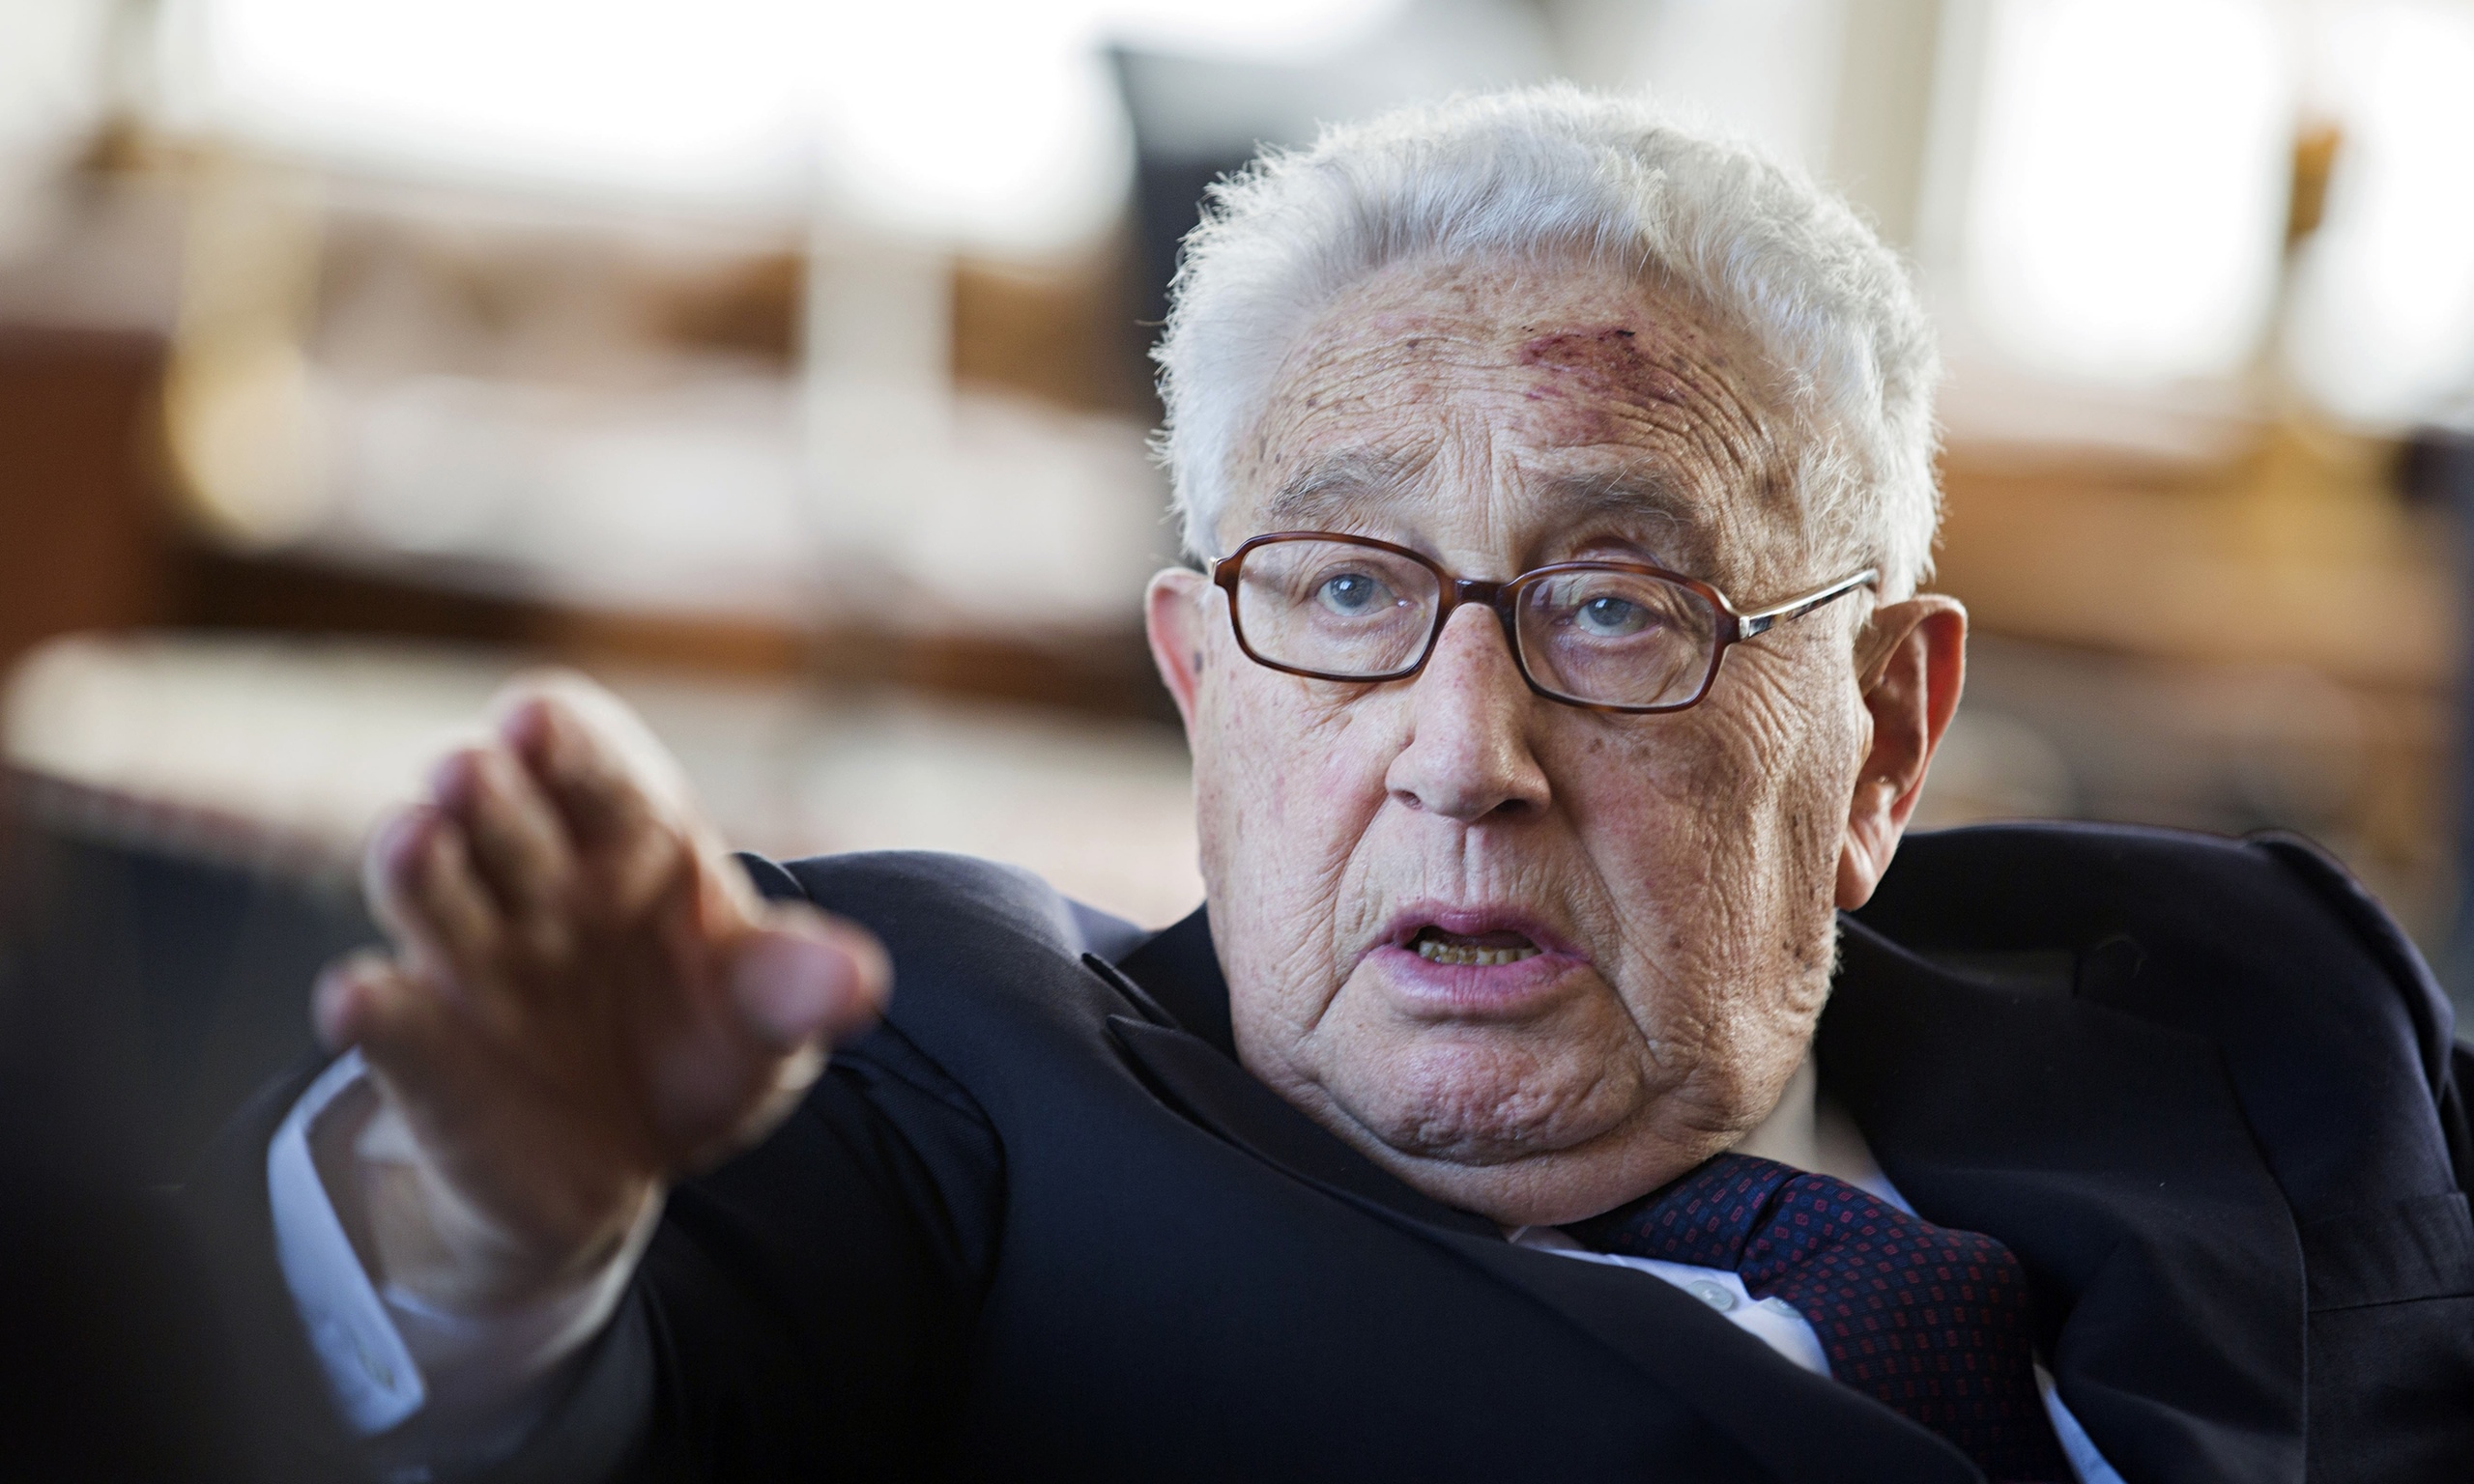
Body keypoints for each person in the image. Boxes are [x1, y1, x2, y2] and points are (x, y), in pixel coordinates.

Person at [188, 88, 2474, 1483]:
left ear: (1880, 728)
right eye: (1347, 592)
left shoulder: (2249, 992)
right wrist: (496, 1243)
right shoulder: (957, 1076)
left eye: (1613, 606)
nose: (1462, 758)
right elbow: (585, 1397)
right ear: (1202, 684)